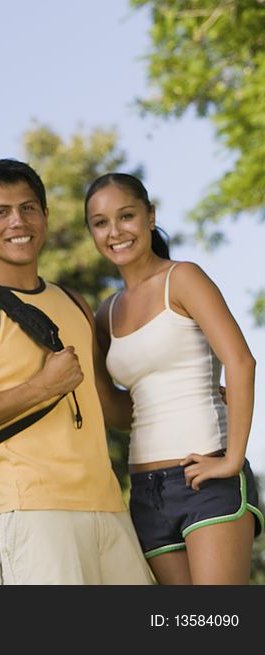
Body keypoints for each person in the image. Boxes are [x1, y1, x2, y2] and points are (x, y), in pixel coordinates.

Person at [0, 158, 153, 585]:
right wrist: (42, 387)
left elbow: (109, 407)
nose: (19, 221)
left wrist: (191, 395)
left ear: (46, 217)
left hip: (108, 506)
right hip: (34, 513)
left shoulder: (73, 302)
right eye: (1, 212)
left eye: (29, 208)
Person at [84, 173, 263, 584]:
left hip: (207, 475)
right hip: (146, 491)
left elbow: (241, 362)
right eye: (100, 222)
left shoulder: (182, 278)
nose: (115, 232)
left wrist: (232, 459)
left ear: (150, 216)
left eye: (126, 216)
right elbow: (114, 409)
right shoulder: (105, 314)